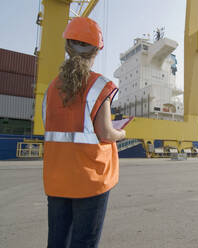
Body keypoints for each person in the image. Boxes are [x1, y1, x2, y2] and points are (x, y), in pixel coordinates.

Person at [42, 17, 126, 248]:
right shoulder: (99, 85)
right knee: (84, 242)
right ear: (97, 50)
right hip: (90, 181)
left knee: (57, 241)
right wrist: (122, 134)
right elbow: (106, 132)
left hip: (57, 178)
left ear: (67, 46)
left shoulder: (51, 88)